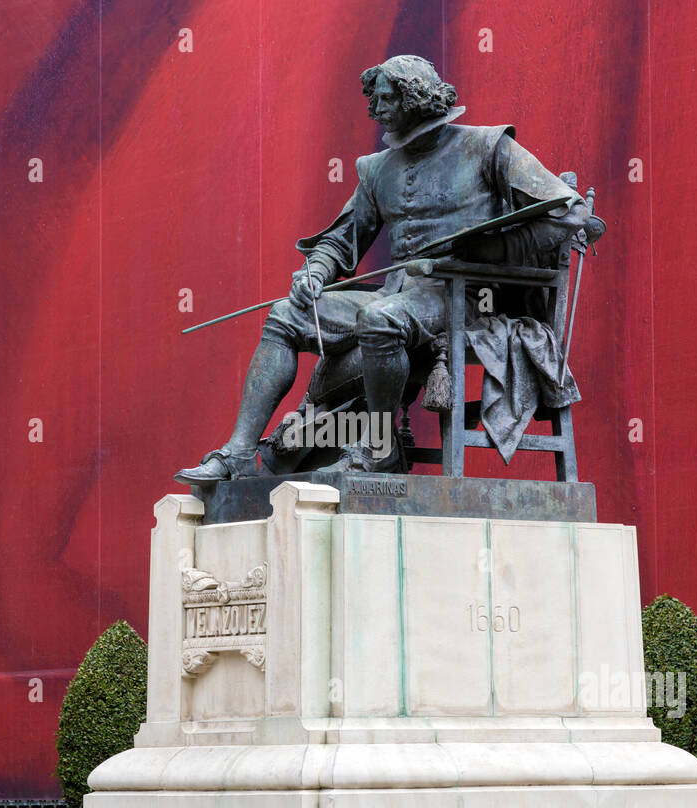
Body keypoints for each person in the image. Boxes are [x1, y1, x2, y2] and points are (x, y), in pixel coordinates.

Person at [176, 54, 599, 485]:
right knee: (287, 314)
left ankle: (378, 450)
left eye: (385, 99)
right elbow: (341, 240)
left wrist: (490, 250)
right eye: (373, 99)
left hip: (467, 299)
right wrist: (315, 273)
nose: (374, 109)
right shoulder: (377, 169)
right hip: (396, 295)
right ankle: (239, 455)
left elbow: (572, 216)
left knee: (379, 319)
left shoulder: (488, 146)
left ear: (415, 100)